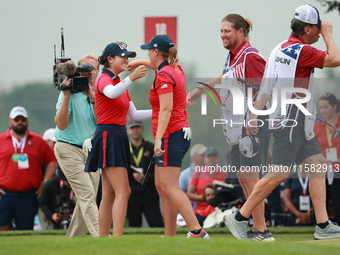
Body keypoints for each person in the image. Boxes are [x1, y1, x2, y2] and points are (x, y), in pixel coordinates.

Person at [228, 4, 340, 240]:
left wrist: (255, 114)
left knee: (317, 164)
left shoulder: (279, 48)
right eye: (318, 28)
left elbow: (266, 87)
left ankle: (322, 225)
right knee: (279, 174)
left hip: (290, 118)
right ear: (308, 29)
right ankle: (239, 218)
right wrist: (330, 34)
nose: (320, 32)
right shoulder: (303, 51)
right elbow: (335, 59)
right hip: (291, 117)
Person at [187, 14, 272, 241]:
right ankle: (255, 227)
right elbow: (224, 75)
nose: (223, 35)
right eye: (221, 31)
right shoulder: (233, 56)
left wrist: (253, 116)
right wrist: (200, 89)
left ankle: (262, 230)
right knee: (244, 177)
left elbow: (268, 87)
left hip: (251, 123)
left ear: (241, 32)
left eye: (227, 31)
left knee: (251, 177)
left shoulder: (250, 56)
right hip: (237, 126)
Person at [127, 34, 209, 238]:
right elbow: (155, 65)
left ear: (156, 52)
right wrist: (137, 62)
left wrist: (157, 139)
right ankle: (170, 235)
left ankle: (197, 231)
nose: (147, 53)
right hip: (175, 133)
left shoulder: (164, 75)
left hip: (170, 135)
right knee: (161, 186)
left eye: (148, 51)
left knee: (170, 187)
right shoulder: (172, 68)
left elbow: (165, 110)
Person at [84, 41, 149, 237]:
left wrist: (163, 113)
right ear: (110, 59)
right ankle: (117, 239)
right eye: (123, 56)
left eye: (128, 56)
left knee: (110, 194)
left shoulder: (120, 82)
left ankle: (104, 239)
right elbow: (111, 93)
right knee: (124, 191)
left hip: (117, 135)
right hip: (108, 135)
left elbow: (134, 115)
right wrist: (131, 78)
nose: (127, 59)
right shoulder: (105, 79)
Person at [54, 53, 101, 237]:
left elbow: (101, 122)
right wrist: (66, 96)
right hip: (68, 147)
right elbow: (61, 124)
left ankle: (72, 243)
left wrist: (92, 97)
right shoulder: (69, 92)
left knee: (87, 198)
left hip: (90, 150)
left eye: (93, 69)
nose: (90, 73)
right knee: (87, 194)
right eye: (85, 69)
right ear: (77, 71)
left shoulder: (97, 93)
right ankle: (103, 239)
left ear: (97, 71)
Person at [0, 106, 57, 230]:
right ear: (10, 122)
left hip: (29, 194)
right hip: (5, 193)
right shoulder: (1, 140)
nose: (20, 122)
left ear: (27, 121)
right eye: (17, 119)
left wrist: (45, 182)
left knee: (25, 230)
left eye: (23, 119)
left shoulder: (38, 141)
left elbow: (52, 160)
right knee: (2, 227)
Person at [126, 119, 163, 227]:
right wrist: (132, 176)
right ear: (128, 131)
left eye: (137, 127)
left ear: (142, 128)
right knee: (134, 228)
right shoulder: (124, 149)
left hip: (150, 193)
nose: (135, 130)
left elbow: (159, 172)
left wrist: (145, 177)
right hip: (132, 194)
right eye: (132, 128)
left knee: (157, 227)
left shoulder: (152, 148)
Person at [314, 93, 340, 225]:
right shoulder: (317, 127)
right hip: (322, 169)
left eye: (326, 107)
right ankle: (321, 226)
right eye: (321, 107)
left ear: (334, 106)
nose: (323, 110)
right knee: (321, 198)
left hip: (338, 169)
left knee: (338, 200)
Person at [188, 147, 226, 226]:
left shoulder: (223, 173)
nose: (211, 159)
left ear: (217, 158)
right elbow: (190, 194)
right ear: (204, 159)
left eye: (214, 156)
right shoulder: (198, 173)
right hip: (201, 210)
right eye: (209, 156)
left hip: (218, 209)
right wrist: (205, 197)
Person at [179, 143, 207, 208]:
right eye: (202, 155)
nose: (205, 157)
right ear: (194, 157)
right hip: (190, 211)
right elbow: (179, 195)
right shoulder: (184, 175)